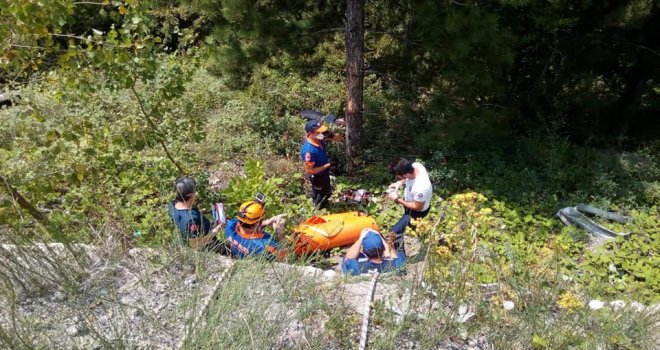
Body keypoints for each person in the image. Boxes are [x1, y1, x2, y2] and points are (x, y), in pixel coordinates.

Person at [386, 158, 433, 249]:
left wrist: (396, 199)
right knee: (413, 226)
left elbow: (417, 207)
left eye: (397, 176)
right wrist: (398, 183)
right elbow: (407, 179)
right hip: (410, 205)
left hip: (416, 212)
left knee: (394, 232)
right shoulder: (415, 166)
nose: (397, 177)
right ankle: (422, 234)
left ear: (404, 174)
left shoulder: (421, 187)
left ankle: (398, 257)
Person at [168, 176, 223, 250]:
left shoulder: (172, 204)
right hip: (209, 246)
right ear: (191, 195)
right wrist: (216, 229)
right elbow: (196, 245)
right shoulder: (190, 220)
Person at [300, 119, 343, 209]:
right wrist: (329, 165)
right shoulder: (309, 151)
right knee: (320, 194)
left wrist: (333, 135)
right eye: (319, 132)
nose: (322, 134)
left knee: (327, 191)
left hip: (324, 172)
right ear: (311, 133)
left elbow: (336, 138)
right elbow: (310, 170)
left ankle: (324, 203)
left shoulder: (318, 138)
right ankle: (317, 209)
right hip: (317, 176)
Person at [341, 228, 406, 275]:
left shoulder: (356, 267)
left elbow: (347, 258)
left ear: (363, 251)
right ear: (384, 248)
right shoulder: (396, 265)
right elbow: (395, 257)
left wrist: (360, 239)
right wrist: (380, 238)